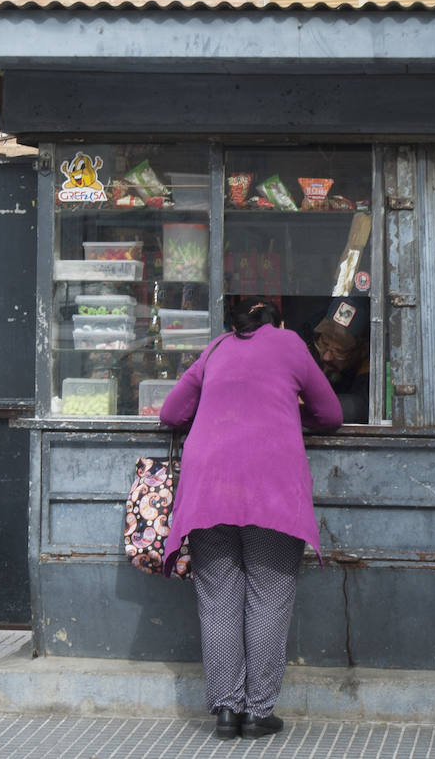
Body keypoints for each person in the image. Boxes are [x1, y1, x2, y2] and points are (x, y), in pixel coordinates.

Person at [159, 296, 343, 741]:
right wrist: (288, 408)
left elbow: (171, 414)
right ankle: (258, 712)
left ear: (236, 323)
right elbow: (331, 415)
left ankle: (227, 711)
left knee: (219, 599)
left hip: (208, 489)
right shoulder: (290, 344)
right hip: (270, 490)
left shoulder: (216, 348)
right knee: (268, 596)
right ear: (276, 322)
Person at [312, 296, 370, 423]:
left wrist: (311, 403)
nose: (326, 357)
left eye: (339, 351)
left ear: (363, 351)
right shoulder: (309, 354)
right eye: (324, 344)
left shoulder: (370, 373)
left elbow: (362, 406)